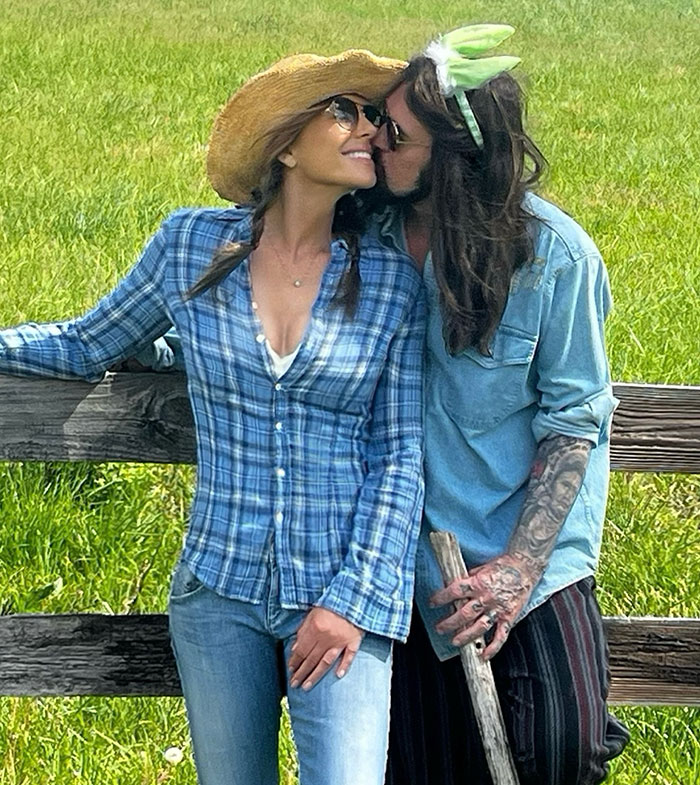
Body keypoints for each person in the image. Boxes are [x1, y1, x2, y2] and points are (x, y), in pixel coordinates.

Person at [132, 24, 630, 783]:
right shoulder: (372, 235)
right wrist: (172, 353)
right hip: (406, 559)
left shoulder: (555, 258)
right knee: (424, 766)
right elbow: (258, 298)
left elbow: (575, 422)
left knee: (564, 745)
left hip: (524, 559)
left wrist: (518, 568)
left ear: (453, 155)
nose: (373, 140)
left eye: (394, 132)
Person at [0, 50, 425, 785]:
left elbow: (399, 455)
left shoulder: (390, 278)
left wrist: (353, 600)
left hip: (339, 602)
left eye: (372, 115)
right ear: (286, 144)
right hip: (217, 594)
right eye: (344, 111)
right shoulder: (190, 245)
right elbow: (84, 342)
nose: (368, 130)